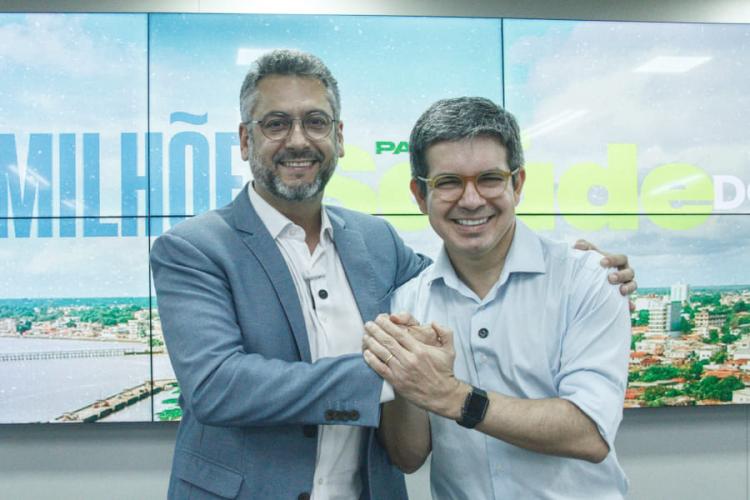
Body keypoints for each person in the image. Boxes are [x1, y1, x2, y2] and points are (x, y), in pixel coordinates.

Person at [151, 50, 635, 500]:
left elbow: (469, 266)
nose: (298, 140)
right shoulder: (193, 248)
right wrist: (397, 377)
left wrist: (583, 268)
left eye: (315, 122)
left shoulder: (375, 241)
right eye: (276, 123)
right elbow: (217, 385)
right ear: (245, 140)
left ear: (339, 137)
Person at [363, 97, 632, 499]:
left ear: (517, 184)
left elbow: (590, 433)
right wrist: (410, 380)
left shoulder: (587, 280)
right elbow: (408, 456)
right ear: (420, 195)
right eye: (448, 182)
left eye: (489, 178)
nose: (471, 200)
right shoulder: (407, 303)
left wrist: (453, 396)